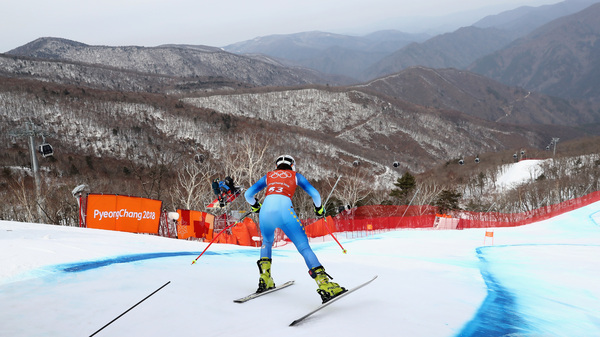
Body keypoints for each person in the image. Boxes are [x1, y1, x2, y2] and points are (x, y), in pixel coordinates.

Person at [244, 154, 347, 303]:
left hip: (265, 211)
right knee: (304, 247)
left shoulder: (269, 176)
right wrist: (319, 209)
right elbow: (315, 194)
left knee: (266, 242)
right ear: (292, 165)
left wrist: (255, 206)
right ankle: (325, 285)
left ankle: (265, 279)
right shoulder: (295, 175)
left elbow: (248, 194)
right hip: (285, 210)